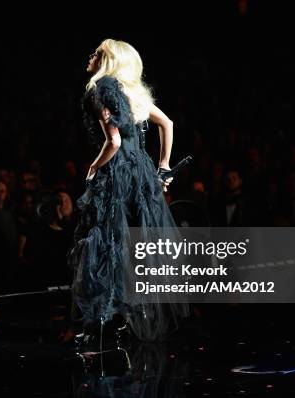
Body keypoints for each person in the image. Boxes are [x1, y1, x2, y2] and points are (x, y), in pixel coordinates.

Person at [67, 39, 189, 344]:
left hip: (117, 177)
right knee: (133, 242)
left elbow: (115, 142)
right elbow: (168, 123)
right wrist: (163, 167)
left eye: (97, 53)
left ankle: (107, 318)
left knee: (108, 242)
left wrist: (93, 168)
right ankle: (126, 317)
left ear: (109, 60)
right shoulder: (134, 93)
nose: (91, 55)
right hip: (142, 176)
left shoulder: (102, 90)